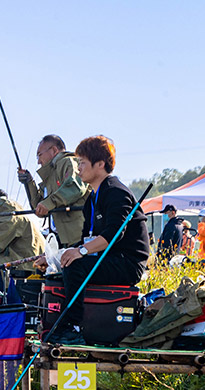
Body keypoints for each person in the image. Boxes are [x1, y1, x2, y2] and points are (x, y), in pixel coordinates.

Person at [45, 135, 149, 345]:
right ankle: (58, 323)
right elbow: (84, 240)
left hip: (127, 263)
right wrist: (52, 257)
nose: (79, 168)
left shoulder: (116, 192)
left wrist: (80, 252)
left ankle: (72, 328)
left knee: (76, 266)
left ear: (100, 164)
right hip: (107, 258)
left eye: (82, 163)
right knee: (62, 267)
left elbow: (114, 234)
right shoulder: (92, 198)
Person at [18, 134, 89, 247]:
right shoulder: (51, 176)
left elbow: (75, 187)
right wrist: (29, 182)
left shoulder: (68, 162)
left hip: (77, 236)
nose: (38, 162)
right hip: (61, 239)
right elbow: (40, 207)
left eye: (39, 155)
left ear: (54, 150)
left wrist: (49, 203)